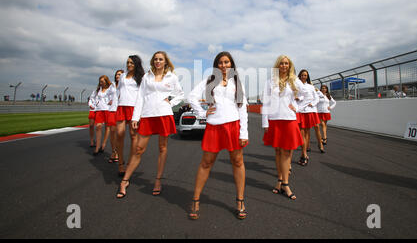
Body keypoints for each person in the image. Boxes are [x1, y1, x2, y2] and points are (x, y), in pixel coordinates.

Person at [187, 51, 249, 220]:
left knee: (237, 162)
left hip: (233, 126)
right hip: (214, 126)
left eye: (227, 62)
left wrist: (244, 132)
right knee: (206, 163)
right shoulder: (209, 80)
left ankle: (240, 201)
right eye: (221, 62)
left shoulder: (236, 81)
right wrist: (203, 112)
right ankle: (196, 199)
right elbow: (192, 97)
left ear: (231, 64)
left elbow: (242, 108)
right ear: (216, 65)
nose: (224, 65)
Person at [116, 52, 184, 199]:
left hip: (164, 115)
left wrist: (171, 103)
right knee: (139, 149)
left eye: (161, 59)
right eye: (156, 59)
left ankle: (158, 181)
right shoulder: (147, 76)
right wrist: (135, 117)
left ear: (165, 62)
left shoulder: (172, 76)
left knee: (162, 148)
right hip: (147, 115)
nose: (158, 61)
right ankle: (125, 180)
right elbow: (140, 97)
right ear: (153, 61)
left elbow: (180, 94)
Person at [262, 55, 304, 200]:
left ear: (289, 65)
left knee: (286, 152)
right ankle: (280, 180)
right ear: (277, 66)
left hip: (289, 119)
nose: (284, 66)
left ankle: (285, 183)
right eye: (281, 63)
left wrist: (297, 107)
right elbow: (266, 103)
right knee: (278, 152)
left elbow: (308, 95)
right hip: (274, 119)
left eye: (286, 63)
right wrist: (265, 123)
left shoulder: (295, 80)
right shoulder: (270, 81)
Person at [115, 55, 145, 177]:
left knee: (133, 136)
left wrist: (140, 113)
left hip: (134, 108)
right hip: (122, 106)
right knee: (120, 134)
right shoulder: (122, 76)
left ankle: (130, 164)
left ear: (136, 64)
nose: (129, 65)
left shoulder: (141, 77)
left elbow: (143, 95)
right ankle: (120, 163)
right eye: (127, 62)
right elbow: (118, 92)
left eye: (131, 63)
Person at [297, 69, 322, 165]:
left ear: (307, 77)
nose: (304, 77)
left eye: (305, 75)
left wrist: (313, 104)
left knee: (306, 133)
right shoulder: (296, 85)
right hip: (299, 111)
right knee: (301, 134)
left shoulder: (311, 87)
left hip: (308, 112)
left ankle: (304, 154)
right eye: (302, 75)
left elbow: (316, 97)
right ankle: (304, 154)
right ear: (299, 76)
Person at [93, 75, 113, 155]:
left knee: (107, 127)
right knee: (98, 127)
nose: (101, 83)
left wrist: (111, 101)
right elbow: (94, 98)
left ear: (106, 81)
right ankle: (97, 146)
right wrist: (95, 105)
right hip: (99, 110)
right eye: (100, 81)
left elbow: (114, 97)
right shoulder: (98, 90)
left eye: (102, 81)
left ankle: (103, 144)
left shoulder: (110, 89)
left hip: (107, 109)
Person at [107, 69, 124, 163]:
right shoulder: (112, 85)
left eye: (120, 74)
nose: (118, 76)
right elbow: (107, 94)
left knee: (119, 133)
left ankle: (117, 152)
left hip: (120, 110)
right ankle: (113, 151)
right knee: (112, 132)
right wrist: (109, 100)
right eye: (117, 74)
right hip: (112, 110)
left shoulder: (125, 85)